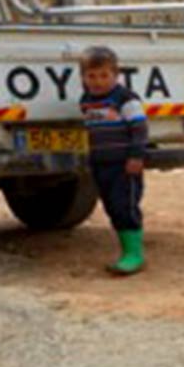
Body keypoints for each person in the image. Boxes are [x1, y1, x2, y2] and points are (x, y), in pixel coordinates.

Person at [78, 45, 148, 276]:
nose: (98, 81)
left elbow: (139, 128)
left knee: (124, 206)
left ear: (116, 75)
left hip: (124, 165)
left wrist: (136, 156)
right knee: (111, 207)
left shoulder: (125, 98)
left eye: (104, 75)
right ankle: (126, 250)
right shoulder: (86, 101)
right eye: (91, 76)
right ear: (83, 77)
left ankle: (134, 255)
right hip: (101, 165)